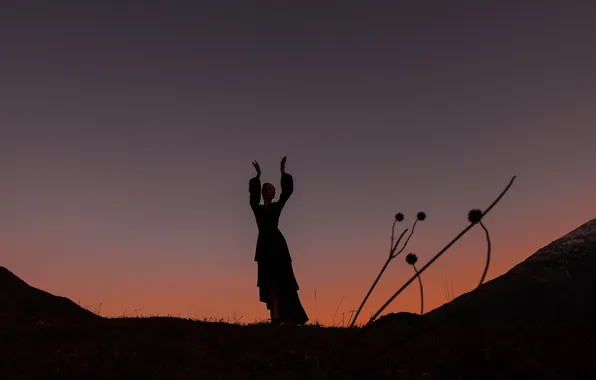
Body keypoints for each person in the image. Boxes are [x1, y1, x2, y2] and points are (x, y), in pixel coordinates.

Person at [249, 156, 309, 325]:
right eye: (268, 189)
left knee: (282, 279)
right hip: (263, 246)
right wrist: (258, 176)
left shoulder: (277, 206)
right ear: (263, 192)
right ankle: (275, 315)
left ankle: (284, 315)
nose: (271, 191)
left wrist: (283, 172)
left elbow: (287, 193)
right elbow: (252, 197)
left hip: (278, 245)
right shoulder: (257, 208)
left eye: (273, 189)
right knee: (269, 281)